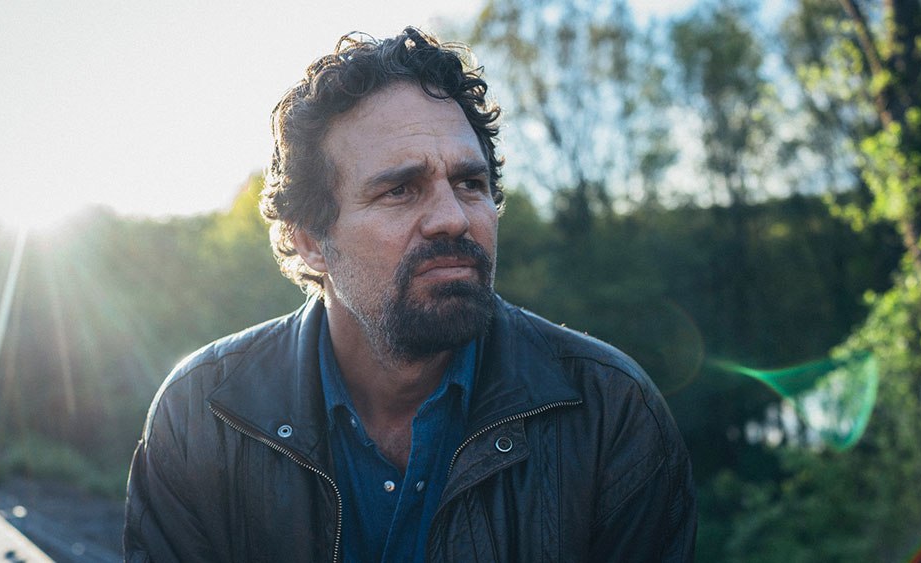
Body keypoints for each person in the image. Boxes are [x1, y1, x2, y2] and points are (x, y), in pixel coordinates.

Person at [123, 27, 696, 562]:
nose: (453, 218)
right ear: (311, 241)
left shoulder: (609, 412)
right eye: (400, 190)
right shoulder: (201, 416)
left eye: (470, 183)